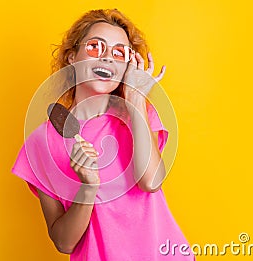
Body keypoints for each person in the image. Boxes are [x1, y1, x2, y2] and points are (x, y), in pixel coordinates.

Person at [12, 9, 195, 260]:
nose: (108, 58)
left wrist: (135, 98)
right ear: (71, 57)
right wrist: (88, 187)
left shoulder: (137, 116)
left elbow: (150, 181)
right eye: (96, 47)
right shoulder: (41, 143)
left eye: (119, 53)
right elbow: (64, 243)